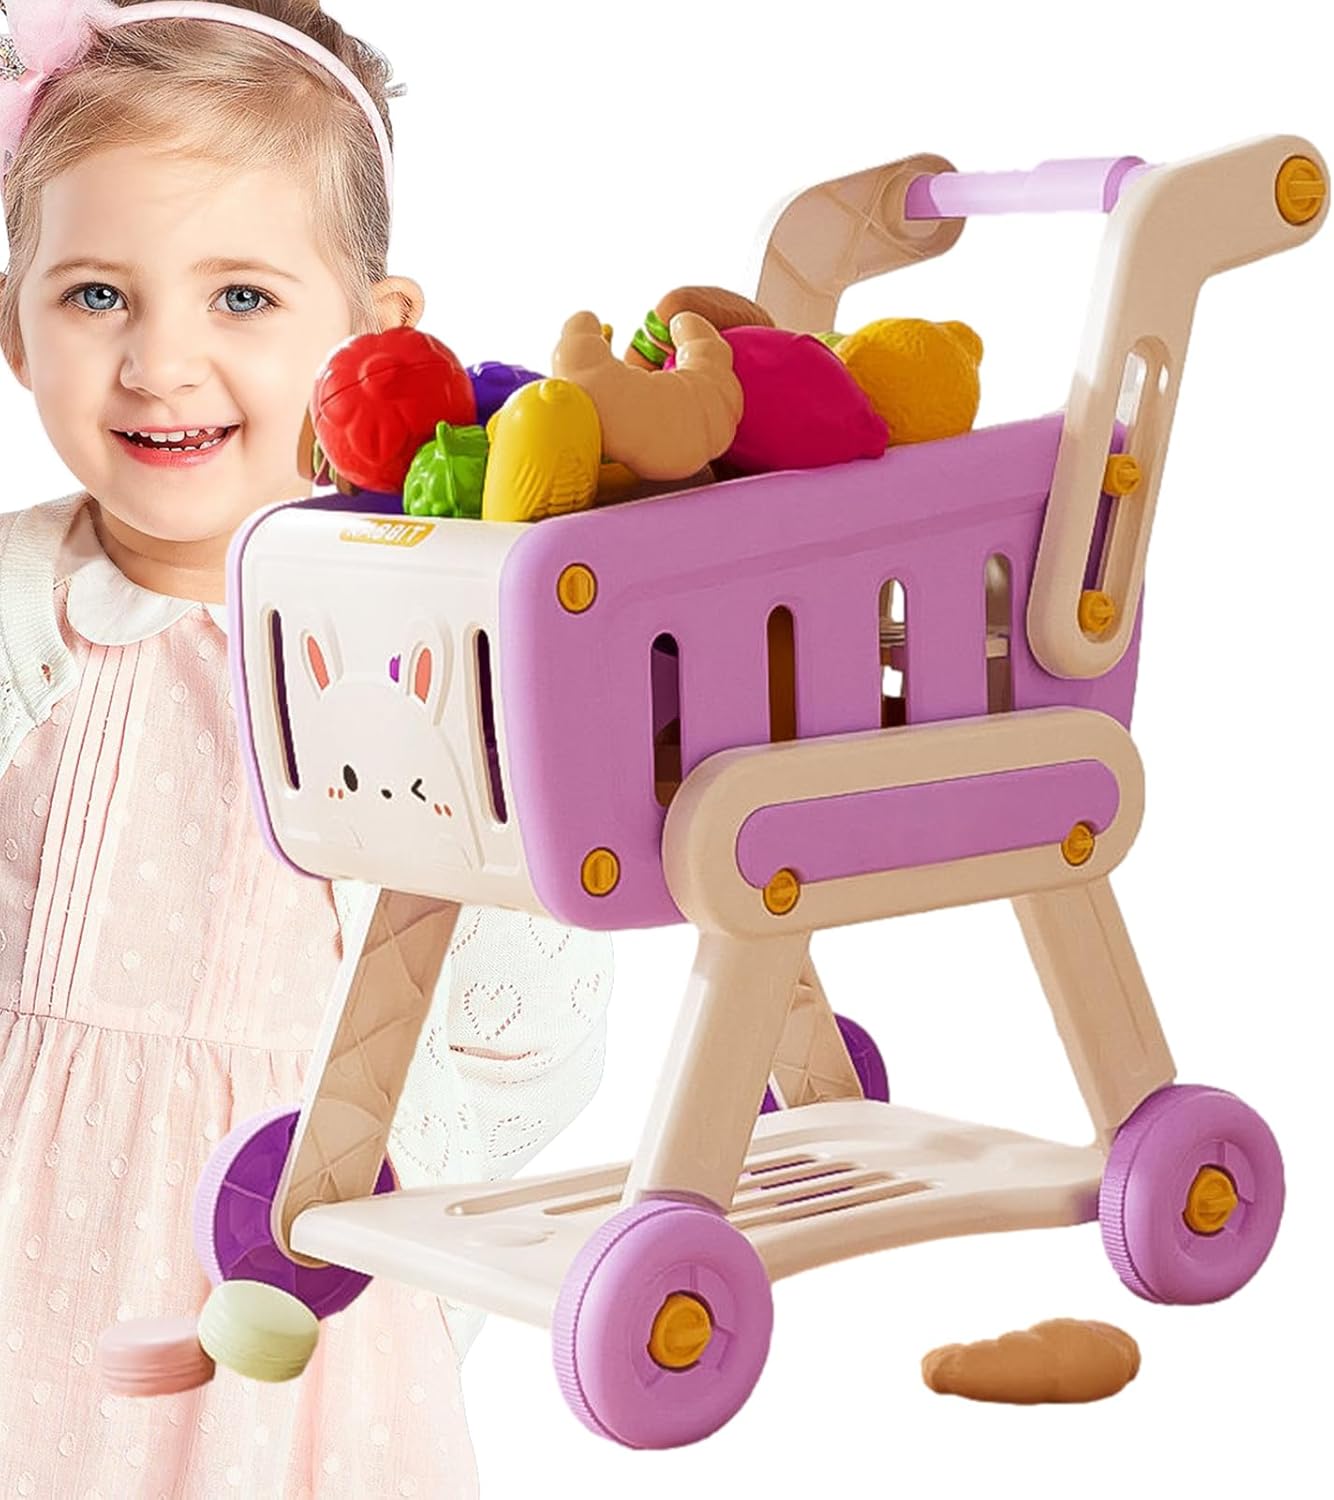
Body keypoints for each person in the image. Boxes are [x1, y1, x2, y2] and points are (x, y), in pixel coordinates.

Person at [0, 2, 613, 1494]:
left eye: (241, 297)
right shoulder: (16, 611)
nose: (160, 362)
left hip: (288, 1289)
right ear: (13, 325)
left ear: (375, 339)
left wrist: (395, 1212)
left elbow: (528, 1024)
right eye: (96, 295)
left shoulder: (437, 648)